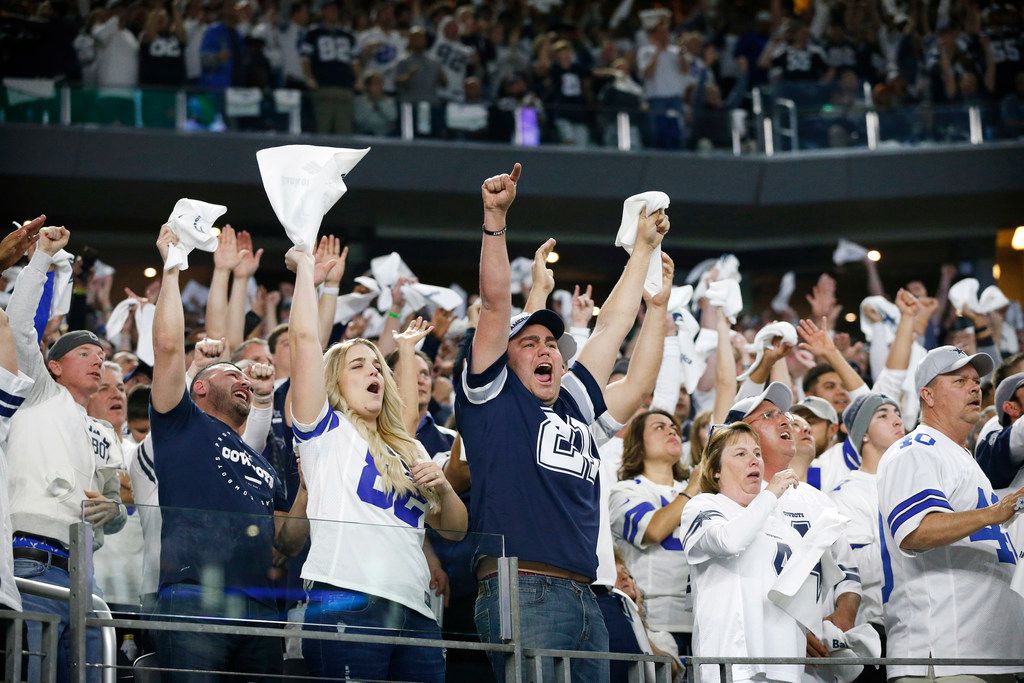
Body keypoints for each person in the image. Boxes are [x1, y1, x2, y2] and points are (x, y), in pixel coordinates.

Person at [455, 163, 668, 682]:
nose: (546, 349)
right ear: (503, 358)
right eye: (529, 343)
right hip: (522, 587)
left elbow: (612, 329)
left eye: (551, 342)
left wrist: (641, 249)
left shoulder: (571, 401)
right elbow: (496, 305)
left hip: (584, 592)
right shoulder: (493, 398)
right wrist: (495, 221)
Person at [286, 243, 467, 682]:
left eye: (376, 367)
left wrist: (442, 488)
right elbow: (305, 342)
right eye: (358, 365)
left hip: (416, 609)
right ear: (333, 382)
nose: (372, 372)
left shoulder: (409, 446)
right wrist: (308, 278)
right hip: (349, 597)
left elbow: (453, 530)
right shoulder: (324, 431)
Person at [149, 224, 308, 680]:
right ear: (199, 386)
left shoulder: (261, 460)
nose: (242, 377)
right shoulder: (180, 422)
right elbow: (166, 348)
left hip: (260, 608)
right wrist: (172, 268)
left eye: (245, 374)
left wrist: (306, 489)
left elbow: (287, 542)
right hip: (195, 595)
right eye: (228, 372)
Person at [6, 222, 124, 683]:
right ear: (53, 366)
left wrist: (111, 510)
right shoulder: (37, 393)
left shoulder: (96, 430)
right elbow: (18, 326)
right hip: (30, 561)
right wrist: (41, 259)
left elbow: (112, 514)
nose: (98, 358)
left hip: (82, 574)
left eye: (101, 353)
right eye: (84, 353)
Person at [877, 345, 1024, 680]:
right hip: (945, 651)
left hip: (987, 650)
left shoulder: (960, 456)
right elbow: (916, 531)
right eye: (959, 380)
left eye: (975, 380)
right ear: (927, 395)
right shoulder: (914, 450)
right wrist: (994, 513)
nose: (975, 387)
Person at [680, 422, 805, 683]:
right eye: (741, 454)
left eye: (757, 453)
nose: (754, 461)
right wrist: (770, 495)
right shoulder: (703, 506)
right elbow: (729, 541)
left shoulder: (777, 522)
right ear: (715, 471)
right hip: (732, 664)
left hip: (784, 663)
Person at [609, 409, 699, 654]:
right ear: (638, 443)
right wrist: (695, 489)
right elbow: (654, 530)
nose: (672, 430)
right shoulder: (625, 492)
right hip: (657, 623)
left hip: (703, 622)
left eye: (674, 428)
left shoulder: (696, 489)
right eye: (659, 427)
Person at [829, 393, 905, 683]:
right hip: (879, 630)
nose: (897, 419)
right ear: (862, 435)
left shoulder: (916, 480)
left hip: (926, 623)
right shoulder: (845, 494)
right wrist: (918, 538)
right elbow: (857, 567)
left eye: (897, 412)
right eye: (882, 415)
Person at [301, 0, 359, 135]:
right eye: (330, 9)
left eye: (335, 9)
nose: (333, 12)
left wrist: (357, 79)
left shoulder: (347, 34)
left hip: (345, 87)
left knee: (344, 132)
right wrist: (309, 77)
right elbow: (305, 58)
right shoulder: (313, 33)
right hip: (323, 86)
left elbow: (355, 60)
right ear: (323, 11)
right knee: (322, 130)